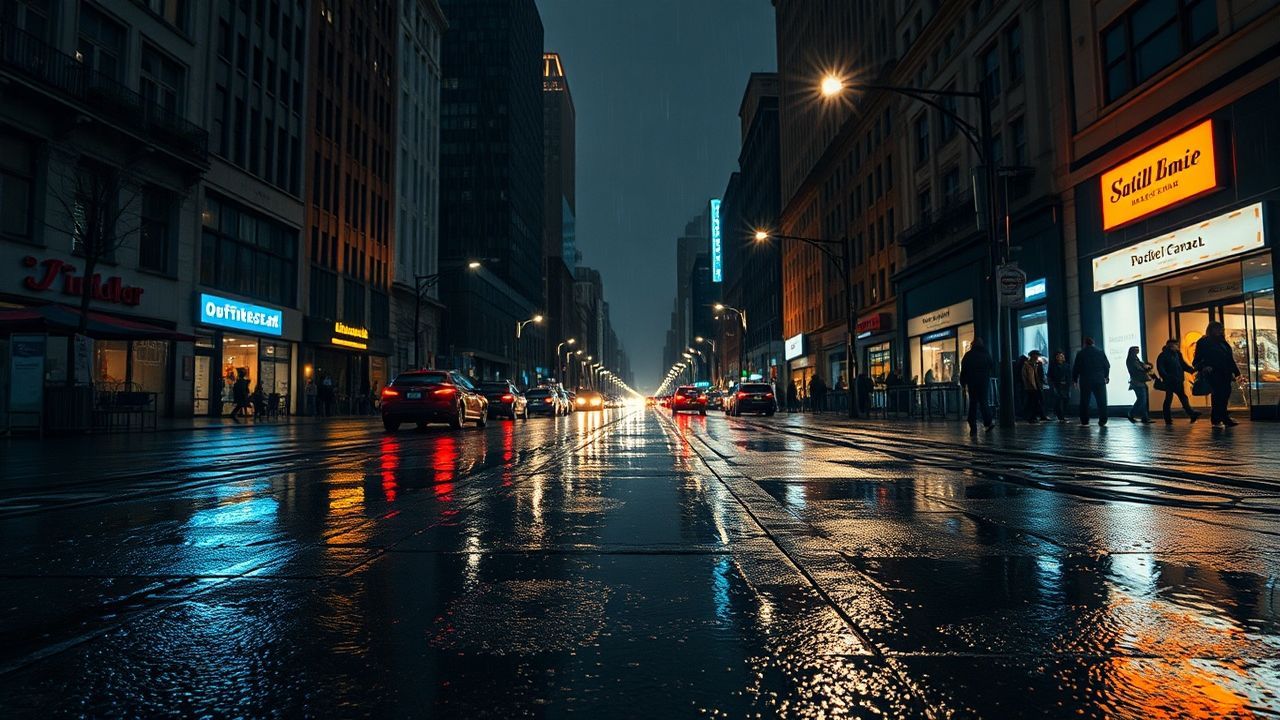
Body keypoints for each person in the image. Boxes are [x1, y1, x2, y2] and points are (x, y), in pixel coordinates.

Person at [1193, 321, 1241, 427]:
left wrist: (1237, 373)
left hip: (1225, 373)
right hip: (1214, 372)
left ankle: (1217, 418)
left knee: (1224, 394)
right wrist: (1204, 366)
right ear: (1212, 329)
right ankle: (1223, 418)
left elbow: (1229, 359)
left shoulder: (1223, 342)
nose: (1221, 331)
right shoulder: (1204, 342)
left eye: (1221, 329)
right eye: (1218, 328)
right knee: (1219, 395)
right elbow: (1197, 359)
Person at [1156, 339, 1200, 425]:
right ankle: (1169, 418)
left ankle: (1191, 414)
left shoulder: (1177, 354)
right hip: (1169, 381)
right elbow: (1160, 368)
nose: (1177, 347)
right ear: (1170, 345)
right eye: (1176, 345)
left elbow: (1182, 365)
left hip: (1178, 380)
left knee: (1182, 397)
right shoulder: (1163, 355)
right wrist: (1167, 377)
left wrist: (1191, 370)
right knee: (1170, 399)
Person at [1072, 337, 1110, 426]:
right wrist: (1106, 376)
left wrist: (1074, 379)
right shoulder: (1100, 352)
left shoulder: (1081, 353)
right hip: (1099, 380)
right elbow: (1107, 365)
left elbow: (1076, 367)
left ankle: (1084, 420)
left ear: (1084, 344)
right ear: (1093, 343)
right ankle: (1103, 420)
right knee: (1102, 401)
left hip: (1085, 380)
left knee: (1084, 401)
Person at [959, 338, 994, 433]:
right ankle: (988, 422)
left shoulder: (968, 355)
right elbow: (992, 366)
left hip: (972, 382)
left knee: (973, 403)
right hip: (983, 381)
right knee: (984, 401)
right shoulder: (986, 354)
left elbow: (964, 370)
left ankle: (972, 425)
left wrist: (963, 383)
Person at [1125, 346, 1154, 424]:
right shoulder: (1132, 360)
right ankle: (1139, 415)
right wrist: (1146, 368)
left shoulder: (1134, 359)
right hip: (1137, 382)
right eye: (1136, 350)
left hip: (1138, 382)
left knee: (1141, 400)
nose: (1138, 351)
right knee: (1142, 400)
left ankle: (1138, 415)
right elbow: (1138, 369)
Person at [1021, 350, 1046, 424]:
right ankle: (1030, 417)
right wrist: (1027, 384)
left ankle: (1035, 416)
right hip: (1030, 386)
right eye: (1036, 355)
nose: (1037, 357)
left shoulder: (1037, 364)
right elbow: (1024, 376)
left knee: (1037, 401)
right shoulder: (1027, 365)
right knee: (1031, 402)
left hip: (1037, 385)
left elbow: (1040, 375)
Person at [1047, 350, 1072, 422]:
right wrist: (1052, 384)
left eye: (1061, 356)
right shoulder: (1053, 365)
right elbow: (1050, 376)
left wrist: (1069, 383)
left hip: (1066, 385)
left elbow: (1069, 375)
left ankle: (1062, 415)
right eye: (1059, 356)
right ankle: (1060, 416)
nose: (1060, 357)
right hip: (1057, 385)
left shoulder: (1067, 365)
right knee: (1059, 400)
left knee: (1066, 400)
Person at [1011, 355, 1029, 420]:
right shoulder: (1024, 366)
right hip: (1022, 384)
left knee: (1019, 399)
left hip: (1018, 384)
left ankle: (1020, 413)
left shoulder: (1016, 366)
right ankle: (1022, 413)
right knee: (1022, 399)